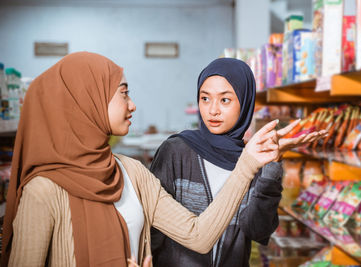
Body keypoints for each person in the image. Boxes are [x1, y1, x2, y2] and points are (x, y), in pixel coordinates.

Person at [1, 52, 282, 267]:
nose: (132, 104)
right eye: (123, 93)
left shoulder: (132, 173)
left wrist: (250, 164)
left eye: (225, 100)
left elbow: (198, 235)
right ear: (87, 102)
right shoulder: (43, 192)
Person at [150, 58, 327, 267]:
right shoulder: (177, 151)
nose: (213, 110)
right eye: (205, 98)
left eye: (225, 100)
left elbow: (257, 230)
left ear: (245, 102)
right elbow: (154, 230)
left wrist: (272, 163)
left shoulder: (252, 158)